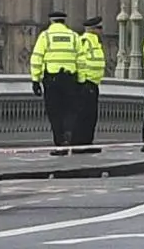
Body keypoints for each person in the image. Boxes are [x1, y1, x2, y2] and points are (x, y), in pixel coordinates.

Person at [33, 15, 107, 150]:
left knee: (56, 113)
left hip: (53, 78)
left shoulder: (46, 36)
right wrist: (81, 80)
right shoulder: (76, 37)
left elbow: (37, 58)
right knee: (72, 112)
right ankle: (70, 139)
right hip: (74, 80)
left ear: (51, 21)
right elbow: (80, 61)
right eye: (99, 28)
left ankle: (62, 141)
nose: (102, 31)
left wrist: (35, 79)